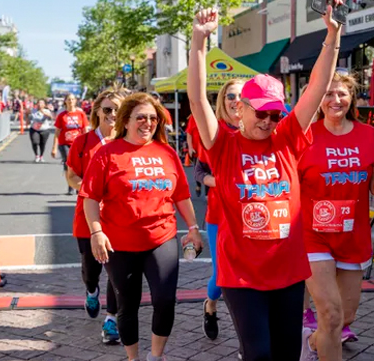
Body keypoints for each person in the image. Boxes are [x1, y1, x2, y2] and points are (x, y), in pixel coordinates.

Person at [187, 4, 342, 360]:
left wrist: (332, 37)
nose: (270, 120)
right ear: (240, 108)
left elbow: (317, 87)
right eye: (262, 113)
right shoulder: (222, 145)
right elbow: (196, 99)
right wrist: (198, 41)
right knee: (258, 353)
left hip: (287, 271)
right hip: (241, 274)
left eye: (276, 113)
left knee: (287, 353)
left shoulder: (286, 139)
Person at [81, 92, 203, 361]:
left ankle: (156, 356)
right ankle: (133, 358)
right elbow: (90, 198)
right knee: (127, 305)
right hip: (120, 244)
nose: (148, 123)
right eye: (141, 118)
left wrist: (193, 227)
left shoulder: (166, 152)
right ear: (125, 121)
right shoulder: (107, 153)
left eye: (152, 118)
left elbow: (181, 195)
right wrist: (96, 231)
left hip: (162, 238)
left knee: (165, 300)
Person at [298, 73, 374, 361]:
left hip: (353, 236)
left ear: (351, 97)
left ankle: (313, 342)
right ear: (318, 99)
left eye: (341, 93)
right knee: (329, 313)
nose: (335, 100)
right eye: (328, 94)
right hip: (313, 235)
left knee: (345, 317)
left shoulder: (368, 135)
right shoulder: (305, 134)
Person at [66, 89, 128, 345]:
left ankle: (111, 320)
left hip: (118, 219)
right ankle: (92, 291)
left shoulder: (129, 142)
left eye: (117, 109)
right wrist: (91, 192)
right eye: (107, 109)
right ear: (97, 113)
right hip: (87, 218)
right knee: (91, 270)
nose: (112, 114)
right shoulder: (83, 142)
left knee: (117, 272)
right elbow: (71, 175)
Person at [193, 79, 244, 341]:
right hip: (220, 216)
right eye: (231, 95)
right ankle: (210, 305)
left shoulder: (263, 130)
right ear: (223, 101)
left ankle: (246, 339)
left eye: (242, 95)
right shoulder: (214, 133)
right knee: (223, 276)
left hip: (256, 218)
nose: (236, 100)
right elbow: (200, 171)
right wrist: (217, 181)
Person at [51, 93, 89, 195]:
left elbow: (85, 130)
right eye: (68, 99)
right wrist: (54, 148)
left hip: (78, 144)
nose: (70, 101)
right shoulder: (61, 116)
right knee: (69, 163)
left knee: (80, 165)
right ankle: (70, 186)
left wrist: (88, 144)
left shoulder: (81, 114)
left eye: (72, 99)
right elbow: (57, 133)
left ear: (75, 101)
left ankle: (78, 185)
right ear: (65, 101)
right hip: (65, 143)